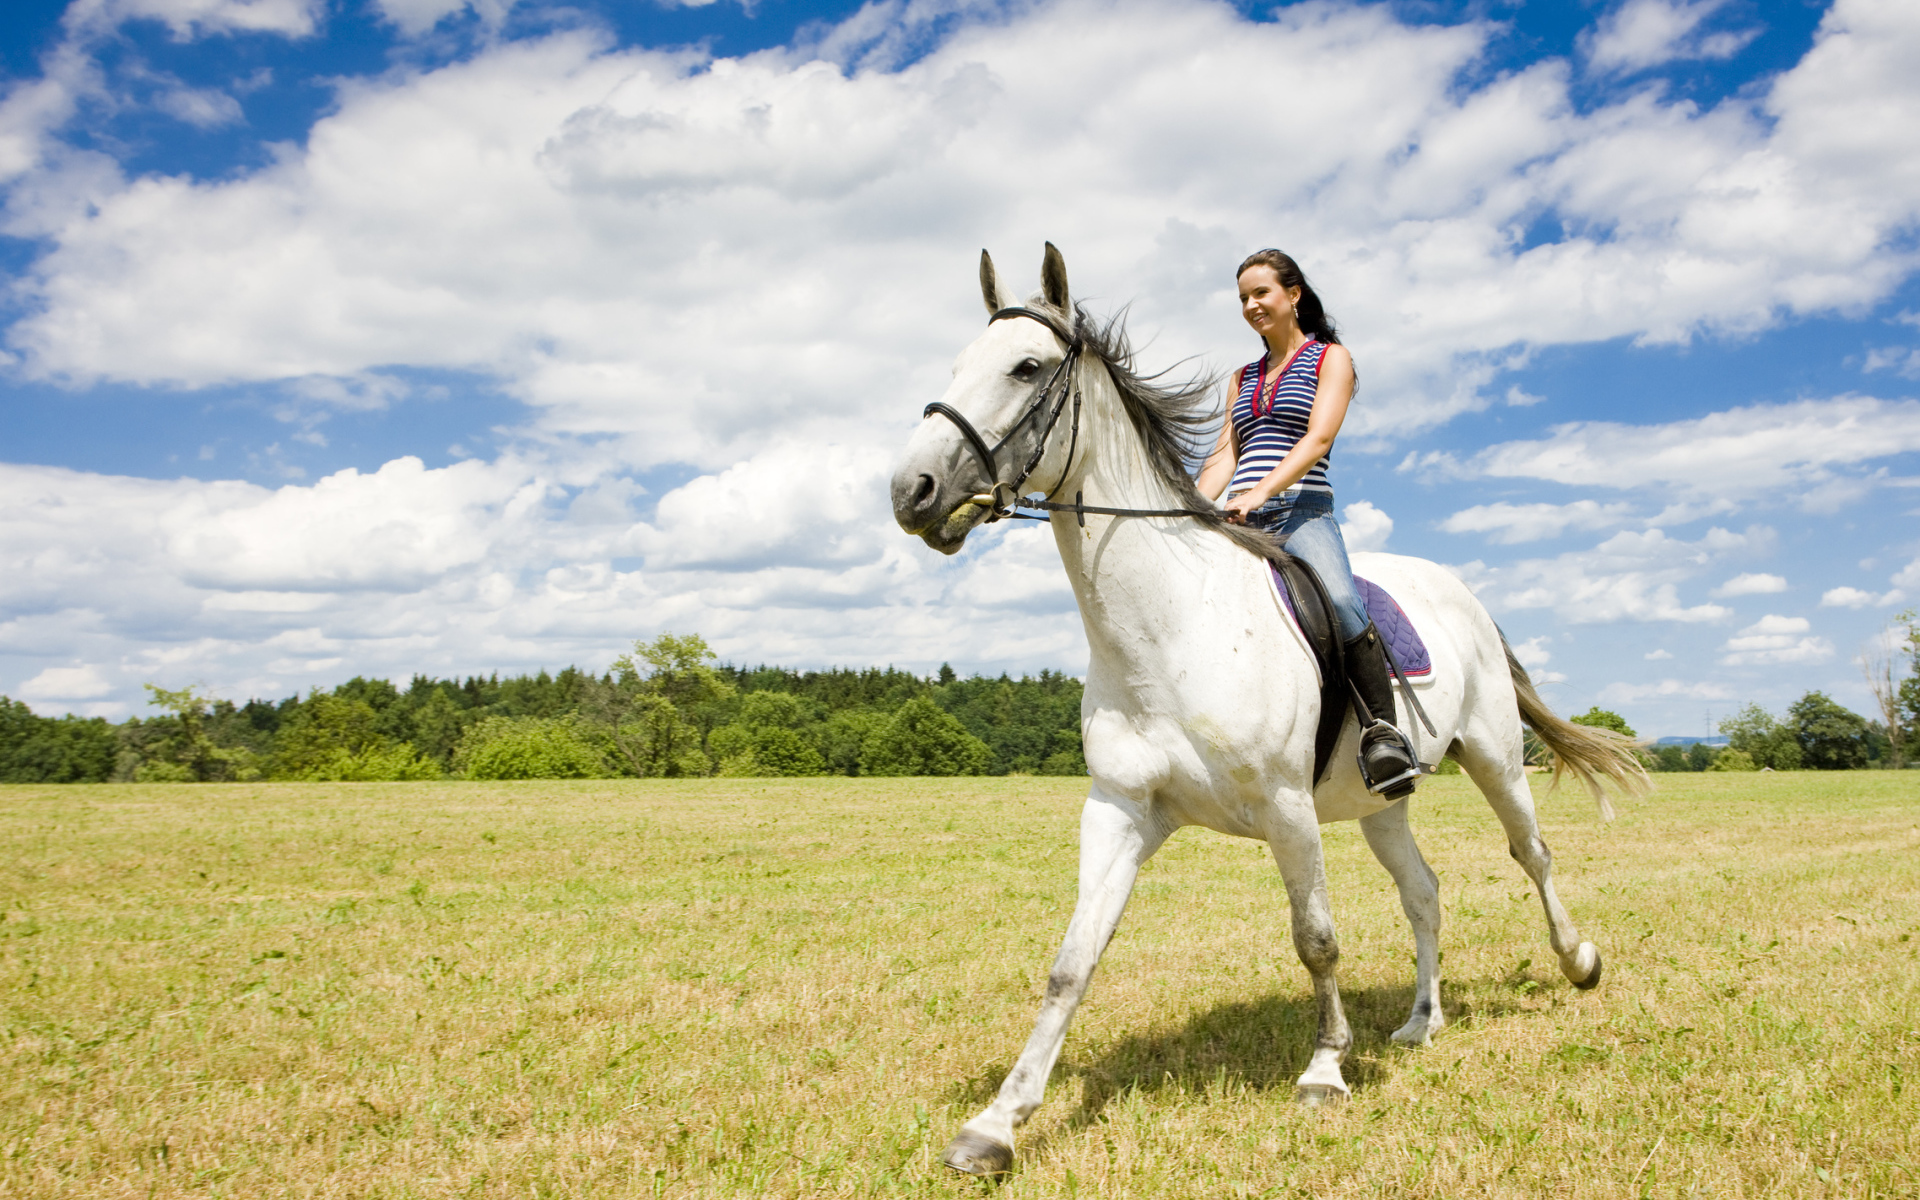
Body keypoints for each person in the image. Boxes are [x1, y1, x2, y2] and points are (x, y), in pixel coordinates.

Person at [1195, 249, 1420, 798]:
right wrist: (1192, 505)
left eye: (1261, 292)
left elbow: (1318, 438)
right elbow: (1224, 456)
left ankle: (1383, 734)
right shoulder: (1242, 377)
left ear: (1293, 294)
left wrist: (1261, 491)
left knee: (1341, 600)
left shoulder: (1330, 358)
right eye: (1243, 298)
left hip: (1302, 513)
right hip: (1243, 520)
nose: (1251, 305)